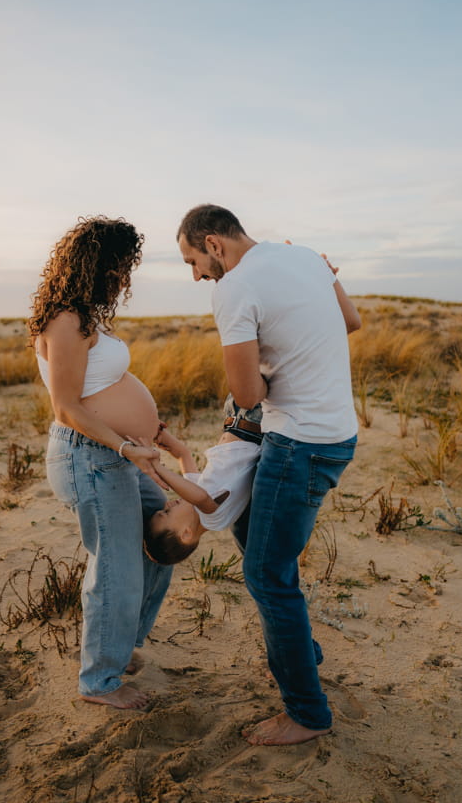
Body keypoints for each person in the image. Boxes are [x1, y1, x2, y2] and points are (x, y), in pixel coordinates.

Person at [176, 204, 362, 746]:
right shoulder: (304, 257)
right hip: (335, 433)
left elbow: (248, 396)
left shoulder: (232, 289)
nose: (196, 276)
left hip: (298, 442)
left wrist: (257, 368)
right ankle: (300, 651)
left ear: (214, 244)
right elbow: (350, 322)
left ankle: (306, 712)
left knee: (265, 574)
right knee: (249, 531)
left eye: (193, 261)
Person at [29, 215, 172, 710]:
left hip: (116, 454)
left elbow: (105, 390)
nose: (124, 277)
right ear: (97, 264)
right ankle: (99, 681)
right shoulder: (65, 320)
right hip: (88, 457)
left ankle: (121, 641)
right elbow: (66, 406)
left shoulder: (89, 315)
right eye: (120, 266)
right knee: (116, 566)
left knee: (163, 541)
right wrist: (125, 445)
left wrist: (153, 433)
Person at [143, 395, 263, 565]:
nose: (166, 505)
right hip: (254, 422)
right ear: (186, 533)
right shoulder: (214, 519)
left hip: (236, 417)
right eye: (166, 513)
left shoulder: (198, 500)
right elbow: (200, 497)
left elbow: (183, 454)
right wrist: (156, 468)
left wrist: (160, 435)